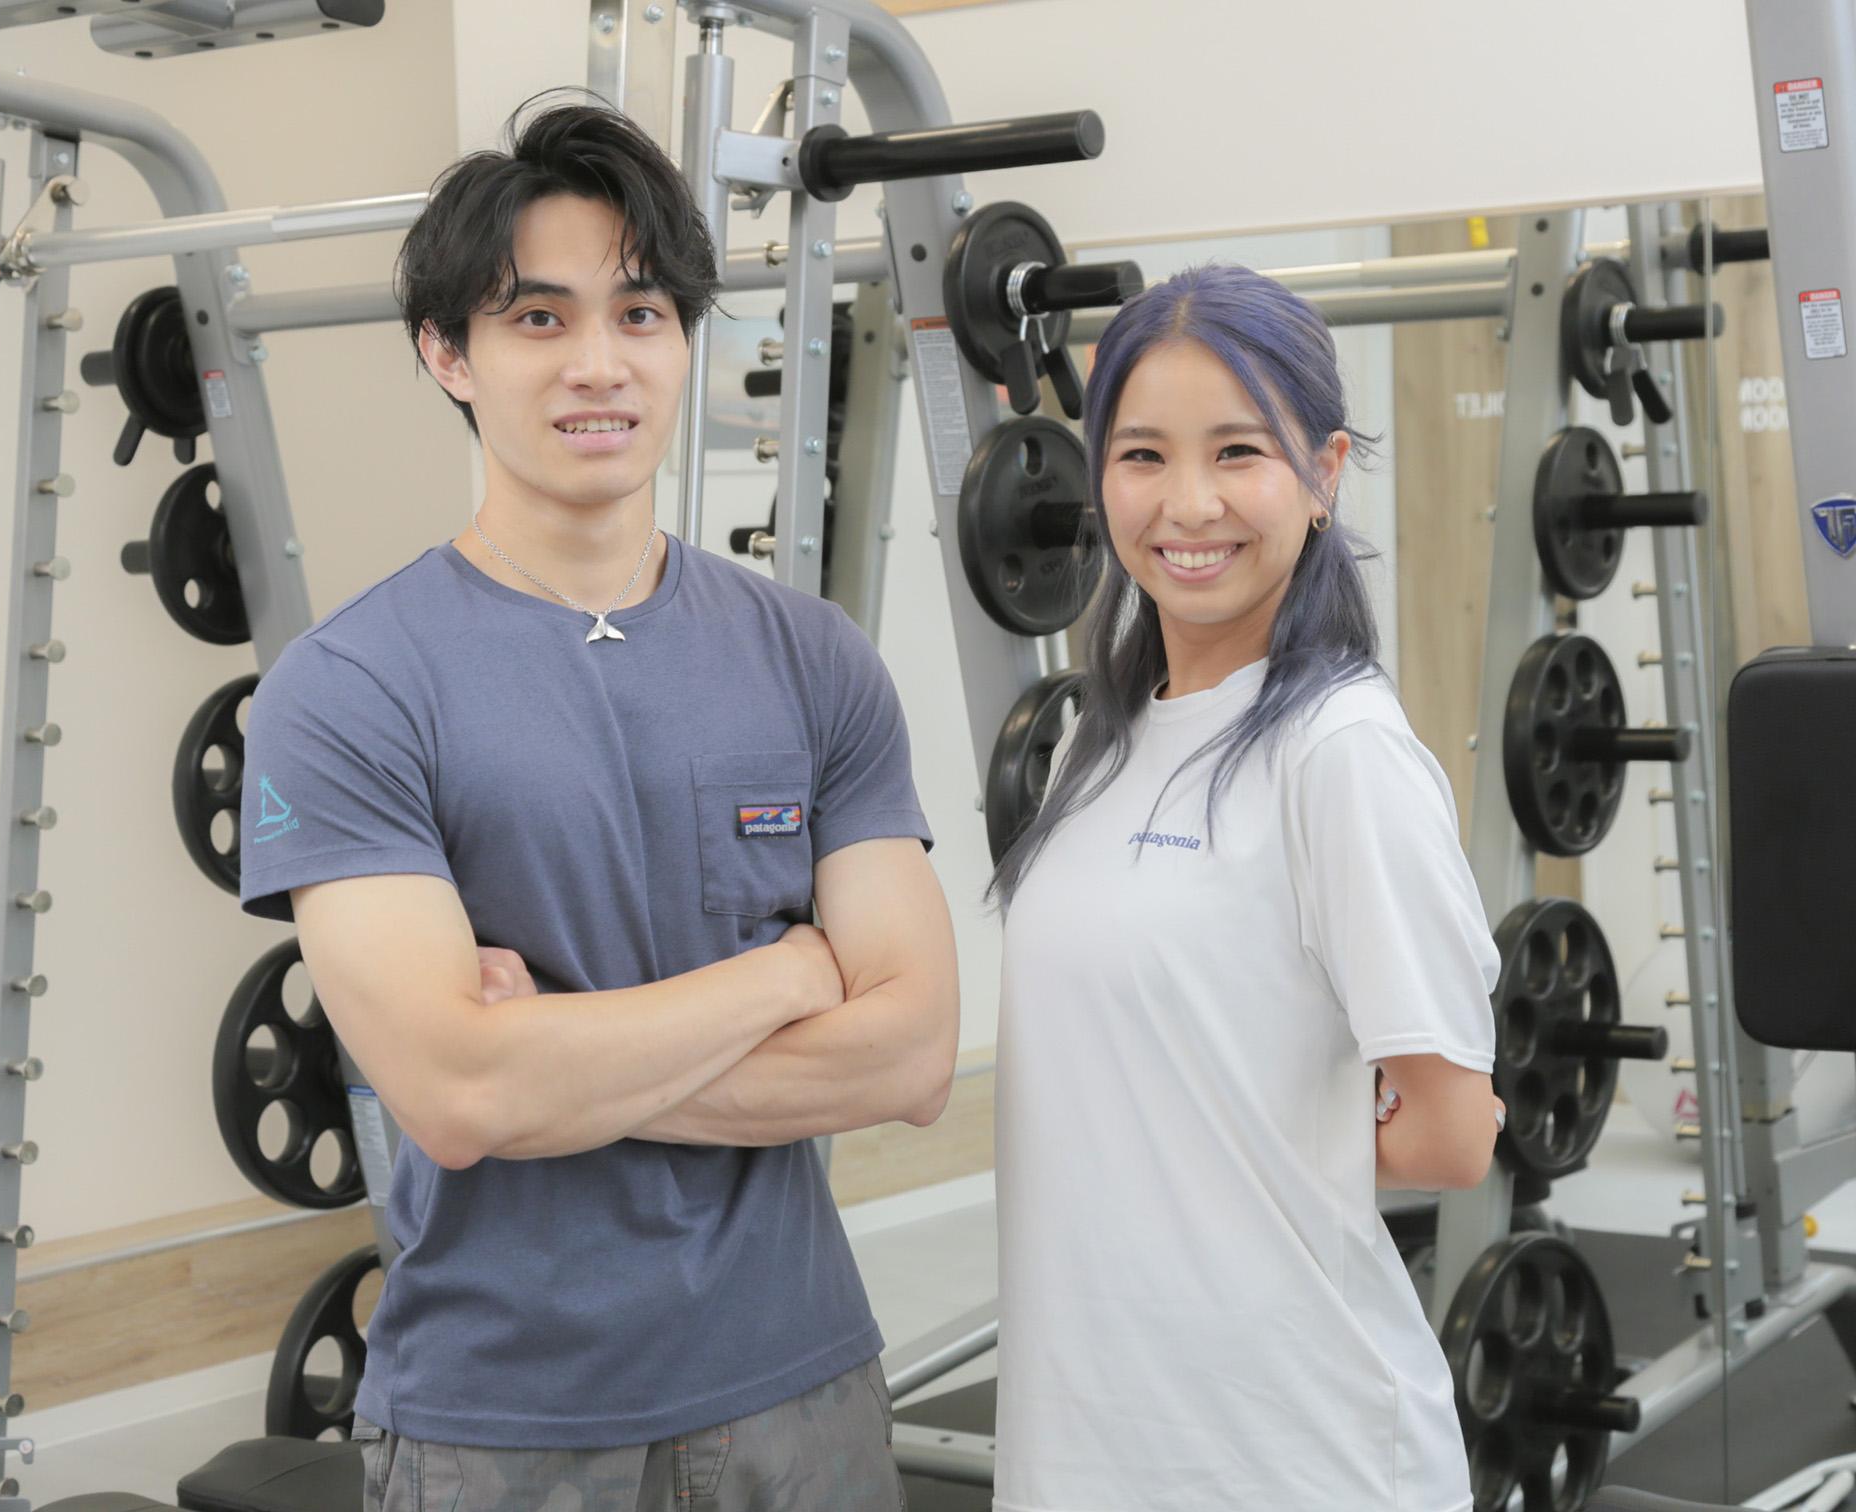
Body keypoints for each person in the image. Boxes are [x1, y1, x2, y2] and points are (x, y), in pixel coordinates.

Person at [238, 99, 959, 1512]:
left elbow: (914, 1059)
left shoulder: (813, 661)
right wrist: (794, 972)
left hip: (806, 1391)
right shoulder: (351, 688)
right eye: (537, 320)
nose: (599, 365)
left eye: (640, 314)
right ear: (449, 354)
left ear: (686, 339)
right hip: (501, 1426)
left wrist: (556, 1068)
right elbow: (457, 1093)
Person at [988, 263, 1504, 1512]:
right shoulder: (1098, 744)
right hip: (1087, 1428)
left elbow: (1453, 1133)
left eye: (1238, 452)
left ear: (1323, 475)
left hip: (1292, 1450)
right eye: (1143, 456)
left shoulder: (1341, 755)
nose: (1189, 504)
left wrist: (1232, 1165)